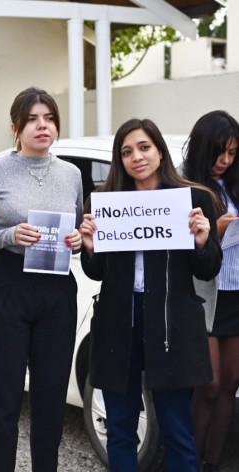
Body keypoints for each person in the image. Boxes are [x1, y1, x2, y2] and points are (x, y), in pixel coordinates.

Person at [79, 118, 222, 472]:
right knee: (121, 430)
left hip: (172, 324)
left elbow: (208, 269)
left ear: (160, 151)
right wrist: (91, 248)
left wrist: (202, 241)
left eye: (144, 147)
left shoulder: (195, 199)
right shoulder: (106, 203)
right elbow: (95, 272)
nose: (136, 157)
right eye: (126, 152)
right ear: (119, 160)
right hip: (118, 322)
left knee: (177, 430)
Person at [0, 87, 83, 472]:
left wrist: (78, 241)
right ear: (15, 127)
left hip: (56, 287)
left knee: (51, 396)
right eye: (33, 119)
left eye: (49, 118)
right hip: (6, 284)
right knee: (3, 398)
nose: (42, 126)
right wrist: (8, 235)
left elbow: (77, 234)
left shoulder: (71, 174)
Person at [183, 110, 239, 472]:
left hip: (236, 292)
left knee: (229, 387)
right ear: (203, 148)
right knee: (209, 385)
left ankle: (212, 464)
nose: (225, 161)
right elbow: (177, 251)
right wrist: (215, 232)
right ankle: (189, 462)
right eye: (220, 152)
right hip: (205, 296)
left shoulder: (234, 185)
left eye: (233, 153)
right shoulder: (183, 188)